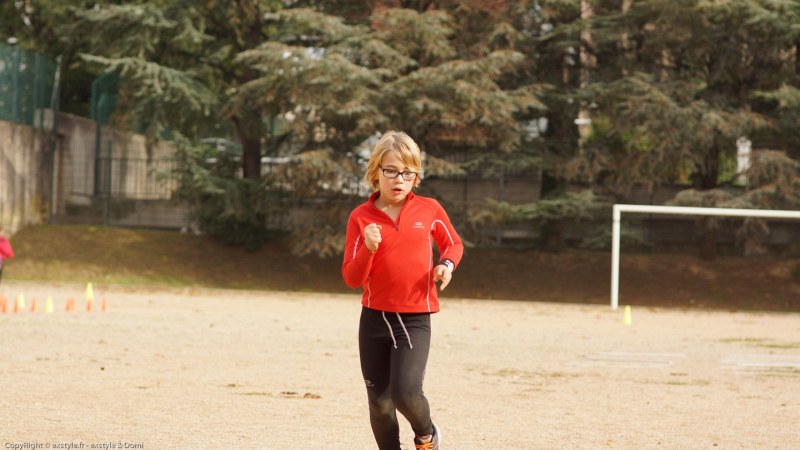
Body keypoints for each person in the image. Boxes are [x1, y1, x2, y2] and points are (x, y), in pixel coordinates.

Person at [342, 131, 463, 450]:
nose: (400, 179)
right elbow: (352, 278)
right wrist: (368, 247)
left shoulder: (429, 209)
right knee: (379, 404)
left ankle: (427, 435)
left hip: (414, 319)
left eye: (408, 172)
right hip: (373, 320)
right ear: (376, 171)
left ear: (416, 175)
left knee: (406, 393)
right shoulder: (360, 217)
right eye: (392, 170)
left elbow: (453, 243)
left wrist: (446, 265)